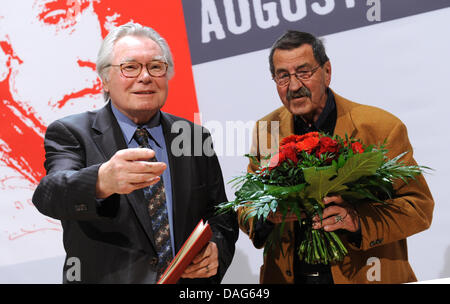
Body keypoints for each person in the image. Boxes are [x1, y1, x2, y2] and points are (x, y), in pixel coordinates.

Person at [32, 22, 238, 283]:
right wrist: (100, 181)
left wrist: (216, 248)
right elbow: (49, 194)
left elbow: (221, 213)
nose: (145, 77)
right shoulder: (72, 132)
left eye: (155, 66)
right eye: (130, 67)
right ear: (105, 79)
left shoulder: (194, 136)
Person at [239, 30, 434, 284]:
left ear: (327, 71)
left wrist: (357, 220)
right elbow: (244, 207)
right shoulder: (267, 130)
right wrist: (266, 215)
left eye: (304, 72)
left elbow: (419, 208)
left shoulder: (381, 128)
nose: (294, 86)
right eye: (283, 76)